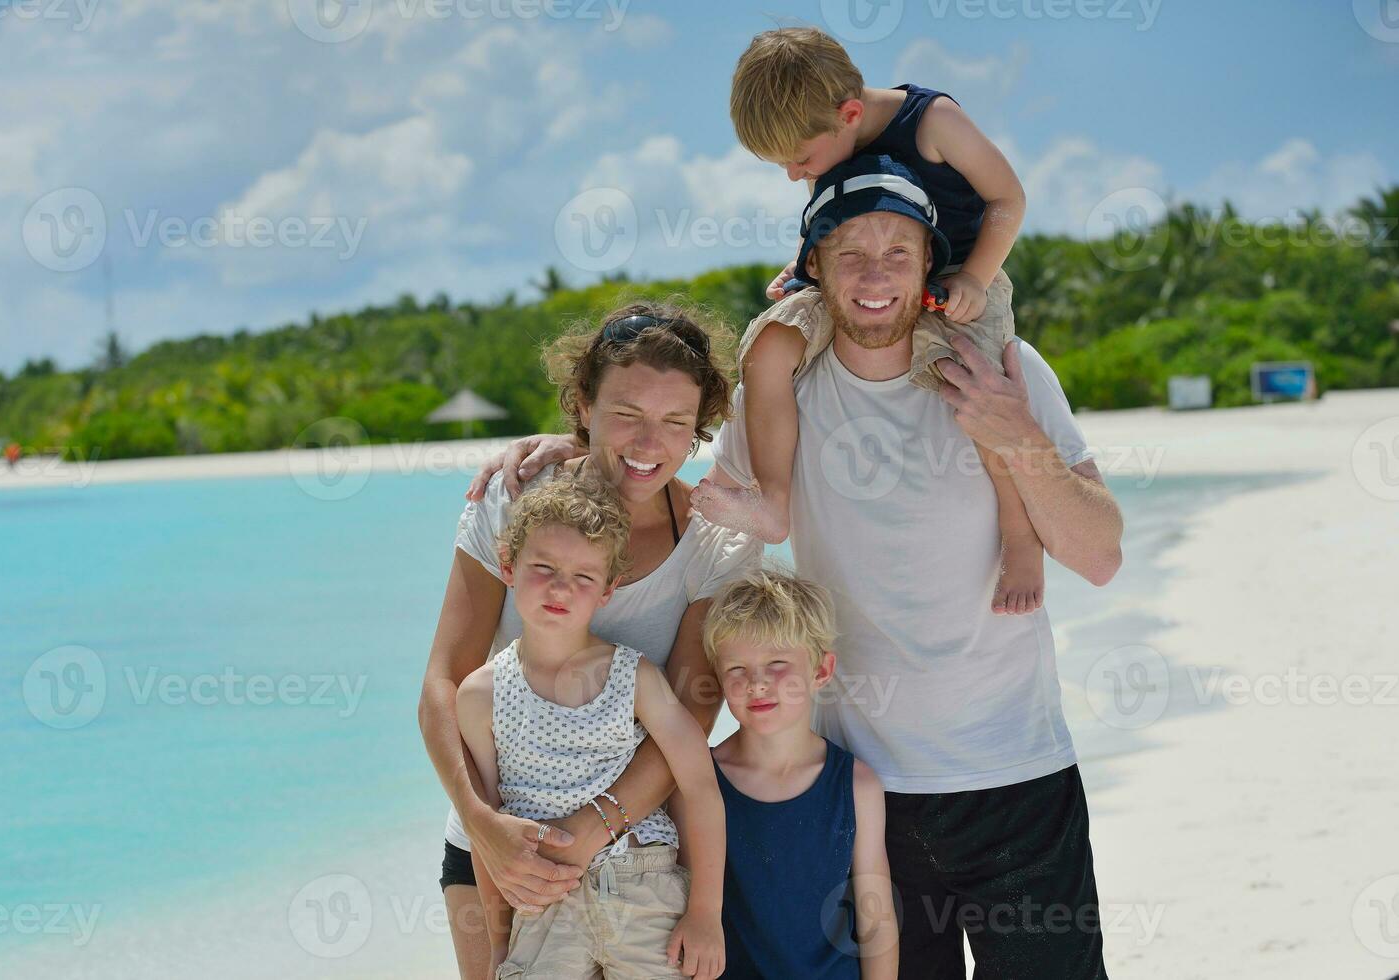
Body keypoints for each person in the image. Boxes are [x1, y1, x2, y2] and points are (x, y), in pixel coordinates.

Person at [479, 154, 1124, 978]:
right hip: (860, 795)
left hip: (1017, 774)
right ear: (811, 267)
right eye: (849, 254)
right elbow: (665, 466)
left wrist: (1016, 433)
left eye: (899, 251)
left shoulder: (1006, 368)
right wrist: (572, 448)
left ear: (931, 262)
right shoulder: (782, 388)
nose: (875, 276)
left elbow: (1100, 555)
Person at [420, 302, 762, 979]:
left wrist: (591, 830)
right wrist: (485, 827)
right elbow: (443, 684)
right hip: (495, 845)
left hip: (638, 856)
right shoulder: (511, 500)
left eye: (674, 423)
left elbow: (690, 716)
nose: (647, 444)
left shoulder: (717, 538)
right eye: (625, 414)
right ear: (582, 403)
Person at [695, 26, 1043, 617]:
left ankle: (1020, 535)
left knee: (981, 387)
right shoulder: (828, 131)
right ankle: (773, 500)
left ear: (850, 113)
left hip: (959, 274)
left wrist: (976, 278)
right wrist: (804, 264)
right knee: (771, 345)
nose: (793, 175)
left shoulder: (933, 123)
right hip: (861, 282)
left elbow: (1009, 199)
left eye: (800, 161)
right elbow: (848, 212)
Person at [457, 470, 726, 978]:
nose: (562, 587)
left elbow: (701, 788)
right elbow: (487, 831)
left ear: (608, 590)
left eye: (584, 577)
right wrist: (499, 947)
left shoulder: (637, 677)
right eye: (544, 567)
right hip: (541, 905)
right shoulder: (479, 694)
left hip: (642, 886)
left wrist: (706, 912)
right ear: (509, 567)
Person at [702, 567, 896, 979]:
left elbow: (876, 921)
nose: (756, 683)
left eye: (776, 663)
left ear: (821, 671)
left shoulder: (857, 786)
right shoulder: (702, 782)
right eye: (737, 668)